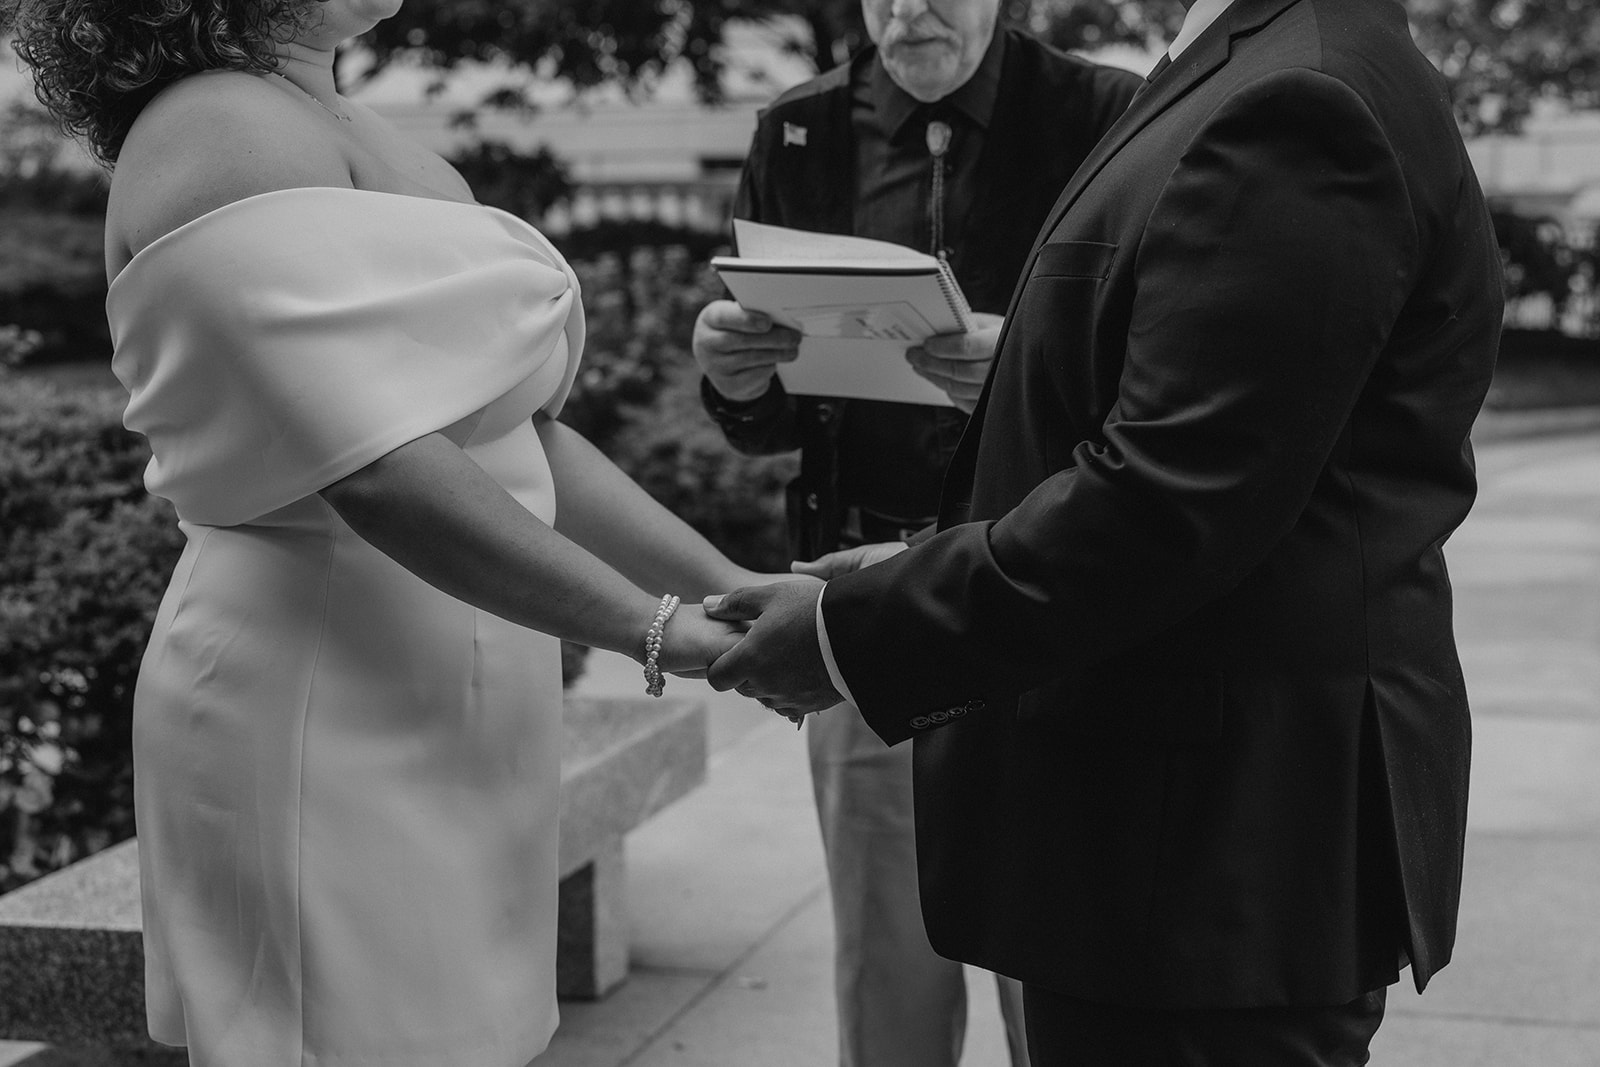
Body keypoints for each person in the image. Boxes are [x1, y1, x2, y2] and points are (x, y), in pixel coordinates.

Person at [703, 0, 1504, 1062]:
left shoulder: (1299, 97)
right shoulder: (1255, 63)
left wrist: (852, 629)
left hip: (1200, 851)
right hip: (1156, 825)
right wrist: (908, 562)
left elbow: (1171, 498)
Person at [7, 1, 794, 1063]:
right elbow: (372, 466)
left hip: (459, 698)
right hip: (319, 694)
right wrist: (659, 631)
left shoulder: (366, 135)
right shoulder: (216, 123)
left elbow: (517, 437)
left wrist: (727, 584)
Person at [691, 1, 1140, 1061]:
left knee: (1062, 952)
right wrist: (734, 378)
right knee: (888, 952)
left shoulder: (1101, 111)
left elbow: (1155, 363)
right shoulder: (801, 126)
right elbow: (764, 412)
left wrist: (1026, 364)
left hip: (1045, 579)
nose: (906, 12)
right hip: (864, 586)